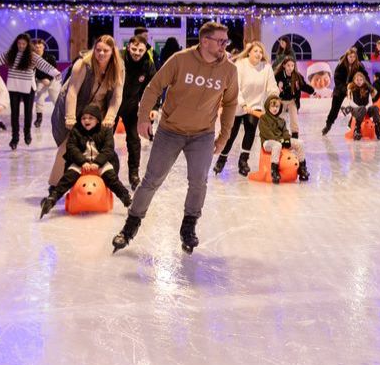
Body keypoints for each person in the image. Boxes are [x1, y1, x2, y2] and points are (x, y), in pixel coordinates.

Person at [114, 21, 240, 254]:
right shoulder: (180, 60)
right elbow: (154, 87)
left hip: (202, 135)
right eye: (220, 41)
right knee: (152, 180)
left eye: (226, 41)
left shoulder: (229, 70)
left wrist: (224, 137)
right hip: (170, 131)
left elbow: (231, 103)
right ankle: (130, 225)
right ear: (204, 41)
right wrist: (143, 118)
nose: (225, 45)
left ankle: (188, 226)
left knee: (198, 182)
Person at [53, 36, 124, 186]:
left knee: (102, 147)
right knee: (68, 145)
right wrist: (70, 117)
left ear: (113, 51)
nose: (101, 54)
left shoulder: (118, 67)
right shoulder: (83, 64)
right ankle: (55, 185)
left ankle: (103, 183)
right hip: (77, 108)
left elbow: (117, 97)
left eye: (106, 50)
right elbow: (72, 92)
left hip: (99, 112)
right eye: (98, 50)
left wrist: (110, 117)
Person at [41, 105, 130, 216]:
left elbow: (108, 149)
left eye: (90, 118)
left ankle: (127, 200)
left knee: (112, 179)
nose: (86, 120)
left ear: (97, 120)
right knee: (67, 178)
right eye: (83, 118)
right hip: (80, 162)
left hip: (101, 162)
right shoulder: (76, 131)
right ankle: (51, 199)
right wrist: (82, 162)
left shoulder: (105, 131)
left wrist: (97, 163)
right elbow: (72, 148)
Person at [219, 41, 274, 175]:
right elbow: (235, 87)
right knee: (231, 135)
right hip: (237, 104)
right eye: (256, 51)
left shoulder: (266, 67)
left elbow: (272, 86)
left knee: (250, 131)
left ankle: (243, 161)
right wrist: (243, 104)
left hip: (255, 106)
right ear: (249, 52)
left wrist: (274, 97)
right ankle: (222, 159)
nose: (259, 54)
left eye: (261, 52)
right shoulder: (240, 65)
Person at [0, 34, 56, 149]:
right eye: (19, 43)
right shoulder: (10, 54)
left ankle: (27, 133)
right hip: (14, 87)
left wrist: (56, 73)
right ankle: (14, 138)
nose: (21, 46)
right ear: (16, 43)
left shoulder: (32, 56)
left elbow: (45, 66)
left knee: (28, 112)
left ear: (27, 44)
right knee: (14, 113)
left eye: (23, 44)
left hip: (28, 87)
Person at [117, 35, 155, 187]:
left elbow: (152, 88)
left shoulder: (148, 63)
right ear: (128, 47)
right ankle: (105, 172)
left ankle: (133, 174)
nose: (137, 53)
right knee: (104, 138)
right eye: (134, 49)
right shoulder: (119, 58)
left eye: (140, 50)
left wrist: (153, 107)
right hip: (112, 104)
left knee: (134, 140)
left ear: (146, 50)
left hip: (131, 106)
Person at [257, 95, 307, 183]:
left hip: (281, 141)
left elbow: (285, 132)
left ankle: (302, 168)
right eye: (272, 106)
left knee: (300, 143)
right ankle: (274, 170)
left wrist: (287, 139)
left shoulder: (281, 120)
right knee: (277, 145)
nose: (275, 109)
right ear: (268, 106)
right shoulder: (263, 119)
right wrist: (280, 140)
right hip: (268, 142)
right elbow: (267, 133)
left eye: (277, 106)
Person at [322, 50, 367, 136]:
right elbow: (336, 78)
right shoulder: (341, 64)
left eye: (354, 57)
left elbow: (365, 76)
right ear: (347, 57)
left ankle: (353, 122)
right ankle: (328, 125)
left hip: (353, 88)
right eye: (350, 57)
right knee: (334, 108)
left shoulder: (359, 65)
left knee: (358, 106)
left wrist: (369, 88)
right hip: (340, 88)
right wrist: (344, 89)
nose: (352, 59)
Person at [346, 75, 380, 140]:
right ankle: (357, 130)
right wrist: (360, 108)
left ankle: (378, 129)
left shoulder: (367, 88)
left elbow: (370, 102)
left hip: (366, 108)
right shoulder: (351, 89)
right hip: (356, 109)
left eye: (361, 80)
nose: (359, 81)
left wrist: (366, 108)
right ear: (354, 81)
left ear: (363, 81)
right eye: (357, 80)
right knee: (362, 109)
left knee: (375, 108)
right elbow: (350, 102)